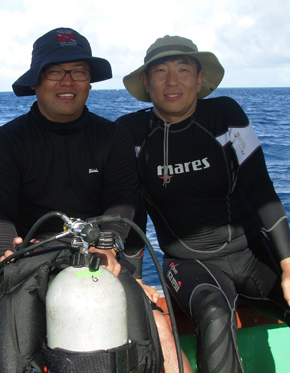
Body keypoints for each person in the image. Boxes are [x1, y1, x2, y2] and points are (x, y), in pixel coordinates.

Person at [0, 27, 162, 372]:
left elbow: (123, 200)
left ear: (89, 83)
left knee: (156, 331)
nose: (68, 82)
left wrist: (108, 245)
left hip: (97, 255)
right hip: (29, 257)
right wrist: (6, 253)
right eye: (55, 72)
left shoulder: (112, 136)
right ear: (36, 81)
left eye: (79, 72)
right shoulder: (7, 140)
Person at [118, 35, 290, 372]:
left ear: (199, 79)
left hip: (252, 253)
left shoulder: (224, 114)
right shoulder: (131, 132)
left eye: (183, 69)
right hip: (190, 263)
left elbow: (261, 188)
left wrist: (288, 265)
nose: (172, 81)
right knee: (213, 311)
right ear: (145, 81)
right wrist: (133, 279)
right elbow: (132, 213)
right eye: (161, 71)